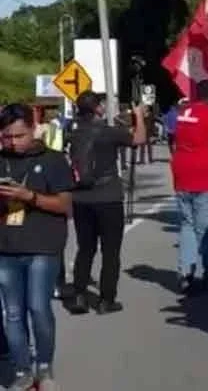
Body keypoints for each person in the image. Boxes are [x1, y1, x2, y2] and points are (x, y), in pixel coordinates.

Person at [0, 103, 75, 391]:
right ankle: (22, 371)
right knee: (13, 313)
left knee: (38, 307)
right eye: (6, 137)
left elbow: (65, 206)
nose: (12, 142)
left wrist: (29, 196)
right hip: (6, 248)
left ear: (33, 129)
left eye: (19, 135)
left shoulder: (54, 160)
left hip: (43, 246)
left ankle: (44, 366)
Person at [66, 91, 147, 316]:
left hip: (81, 197)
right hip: (108, 196)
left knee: (85, 249)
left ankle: (80, 294)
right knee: (110, 252)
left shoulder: (73, 132)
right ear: (98, 109)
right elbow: (139, 139)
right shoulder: (109, 132)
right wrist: (138, 116)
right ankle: (106, 300)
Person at [169, 80, 208, 294]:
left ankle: (186, 273)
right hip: (207, 177)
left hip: (182, 174)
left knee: (187, 225)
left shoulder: (183, 114)